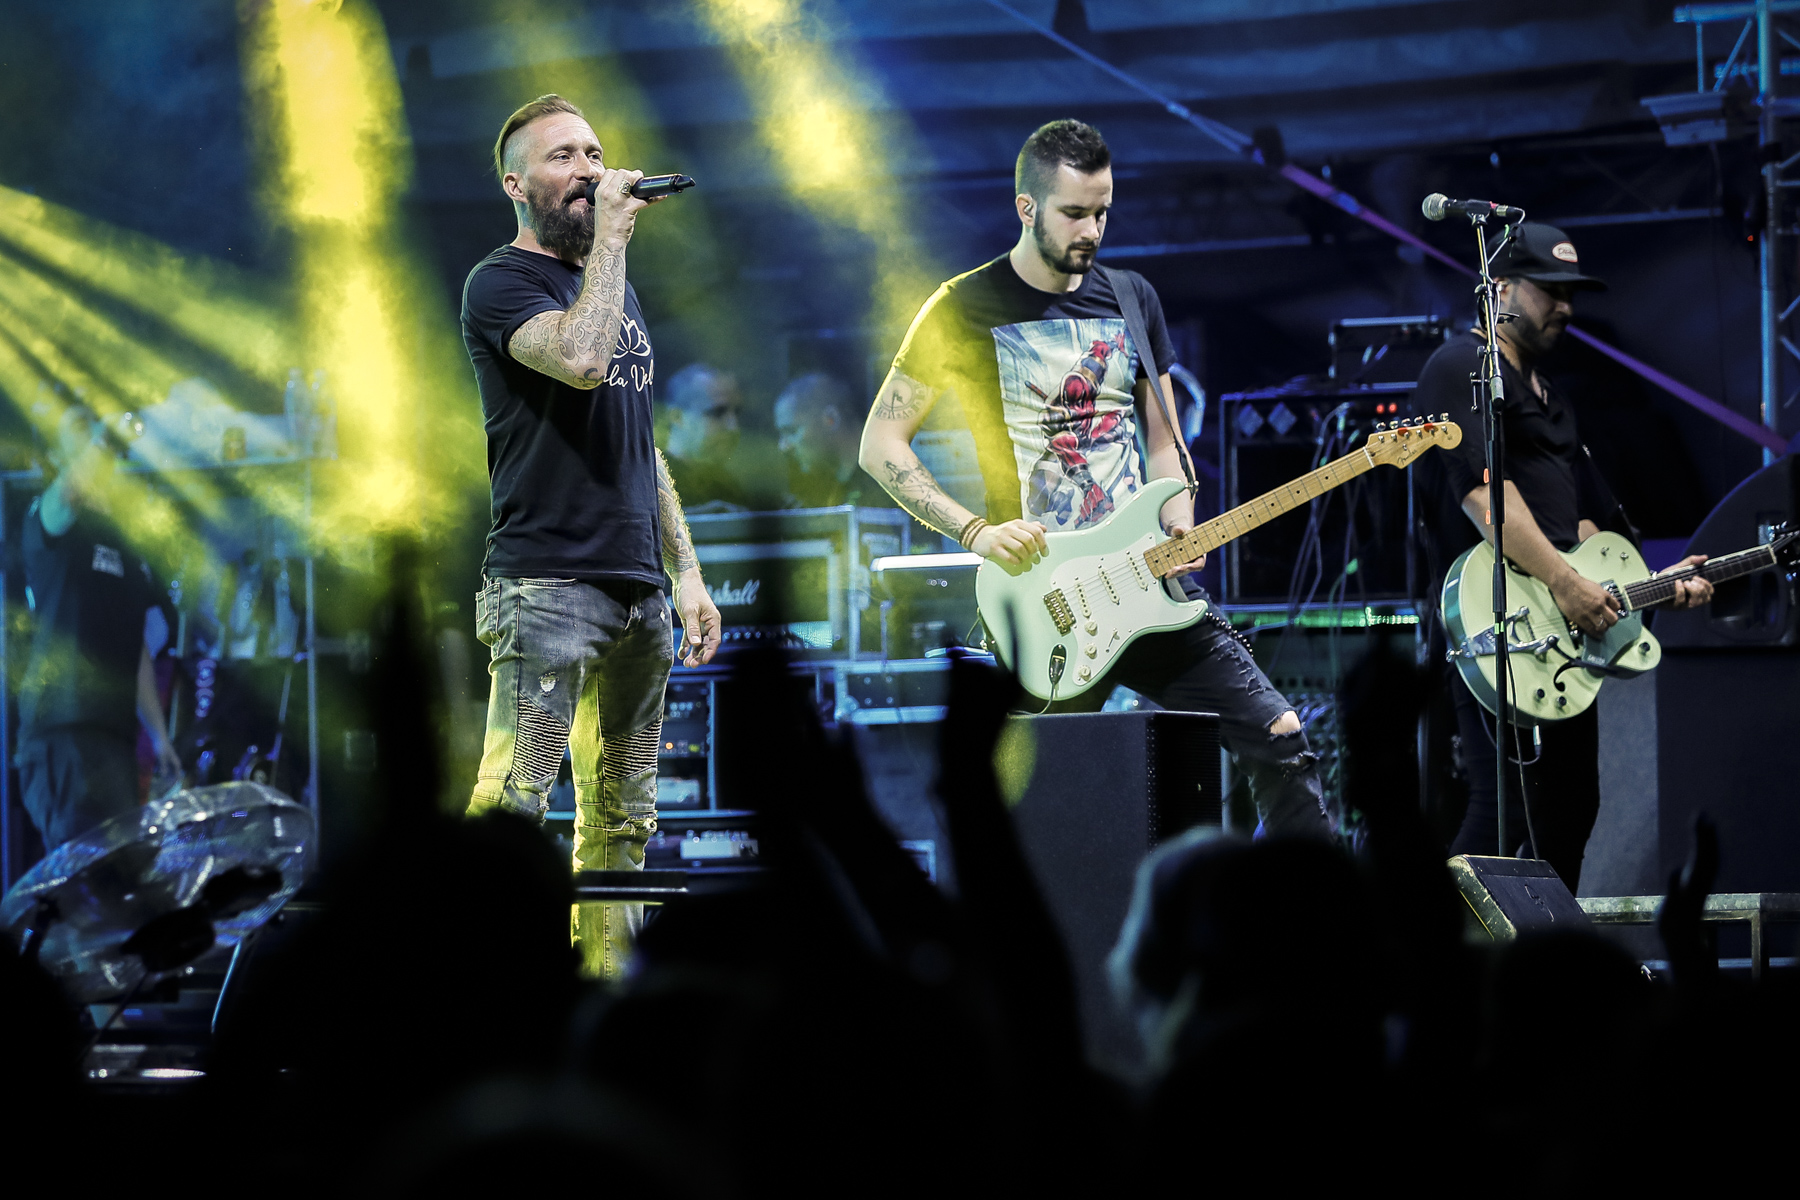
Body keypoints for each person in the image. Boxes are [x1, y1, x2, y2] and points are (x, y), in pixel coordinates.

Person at [859, 119, 1331, 839]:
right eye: (1074, 213)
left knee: (1281, 737)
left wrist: (1178, 518)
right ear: (1026, 207)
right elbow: (880, 444)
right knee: (1034, 812)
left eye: (1103, 211)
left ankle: (1305, 905)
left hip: (1146, 584)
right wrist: (975, 531)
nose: (1092, 230)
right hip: (1044, 600)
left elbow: (1164, 442)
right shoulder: (961, 306)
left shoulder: (1133, 297)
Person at [460, 94, 723, 978]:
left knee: (623, 822)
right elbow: (580, 361)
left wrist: (685, 570)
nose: (590, 170)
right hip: (548, 590)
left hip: (637, 593)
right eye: (564, 157)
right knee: (514, 804)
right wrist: (610, 239)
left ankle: (609, 1003)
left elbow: (641, 444)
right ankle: (470, 995)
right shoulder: (500, 282)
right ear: (516, 184)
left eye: (596, 153)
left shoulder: (616, 288)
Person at [1412, 223, 1713, 886]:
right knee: (1498, 811)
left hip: (1560, 634)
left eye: (1571, 294)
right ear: (1500, 289)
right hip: (1495, 619)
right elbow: (1484, 496)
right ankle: (1433, 944)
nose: (1566, 306)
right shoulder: (1461, 367)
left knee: (1573, 807)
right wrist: (1565, 582)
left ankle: (1546, 947)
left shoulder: (1554, 399)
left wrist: (1655, 584)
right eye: (1549, 291)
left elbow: (1588, 528)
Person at [16, 404, 181, 851]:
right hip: (62, 736)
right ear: (57, 454)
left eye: (92, 426)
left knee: (122, 876)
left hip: (114, 742)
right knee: (81, 874)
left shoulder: (124, 543)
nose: (90, 432)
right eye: (77, 426)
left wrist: (159, 735)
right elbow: (70, 490)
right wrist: (106, 435)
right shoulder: (49, 517)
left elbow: (135, 646)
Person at [775, 373, 896, 510]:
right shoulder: (819, 494)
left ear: (830, 419)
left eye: (792, 431)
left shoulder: (890, 479)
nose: (783, 446)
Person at [658, 362, 753, 510]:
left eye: (736, 413)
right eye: (717, 413)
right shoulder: (651, 483)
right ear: (677, 416)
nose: (733, 427)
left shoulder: (727, 485)